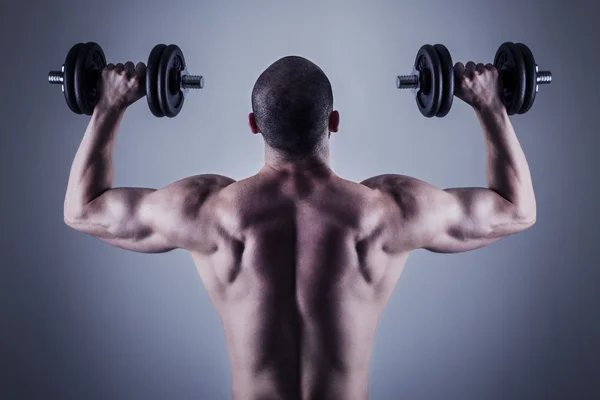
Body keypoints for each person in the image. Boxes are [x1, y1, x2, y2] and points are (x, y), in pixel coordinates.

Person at [63, 55, 536, 400]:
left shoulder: (208, 211)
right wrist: (490, 106)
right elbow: (517, 209)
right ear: (333, 122)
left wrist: (110, 106)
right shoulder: (386, 212)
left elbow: (82, 208)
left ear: (254, 125)